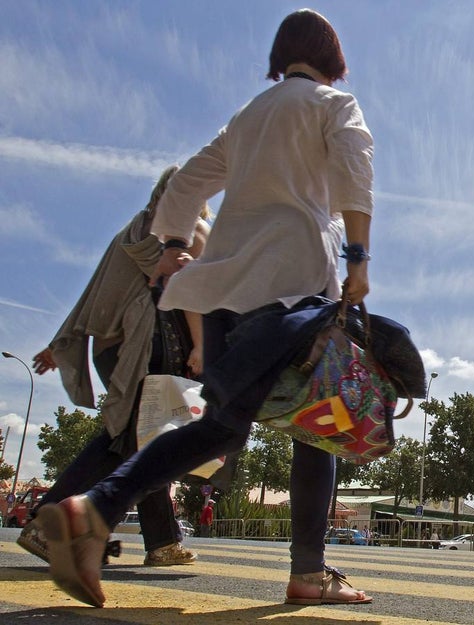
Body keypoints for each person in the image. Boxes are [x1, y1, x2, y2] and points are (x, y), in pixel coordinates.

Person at [37, 9, 374, 608]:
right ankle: (305, 569)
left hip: (222, 292)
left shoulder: (246, 117)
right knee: (318, 429)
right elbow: (354, 171)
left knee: (221, 424)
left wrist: (171, 246)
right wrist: (357, 261)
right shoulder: (331, 104)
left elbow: (186, 182)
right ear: (332, 59)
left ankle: (96, 510)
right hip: (293, 283)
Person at [17, 166, 208, 568]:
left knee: (148, 438)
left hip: (112, 348)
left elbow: (100, 291)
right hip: (147, 347)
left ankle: (163, 541)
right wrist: (202, 345)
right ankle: (47, 522)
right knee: (125, 438)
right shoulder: (184, 229)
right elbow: (187, 286)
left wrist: (63, 341)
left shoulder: (133, 230)